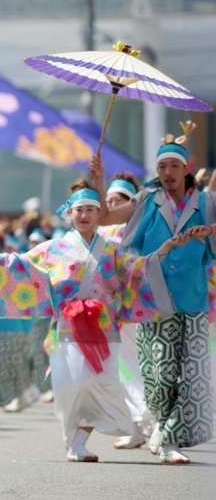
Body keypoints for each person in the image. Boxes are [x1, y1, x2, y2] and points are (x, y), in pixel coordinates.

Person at [0, 179, 195, 462]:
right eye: (79, 209)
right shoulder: (54, 247)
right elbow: (20, 263)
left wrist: (163, 250)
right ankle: (72, 440)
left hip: (104, 329)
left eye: (91, 209)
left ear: (99, 214)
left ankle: (79, 443)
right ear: (69, 213)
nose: (84, 215)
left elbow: (136, 269)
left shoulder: (112, 249)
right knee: (70, 385)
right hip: (68, 327)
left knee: (99, 384)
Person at [95, 128, 216, 463]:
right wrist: (100, 179)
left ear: (184, 169)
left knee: (192, 375)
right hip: (153, 299)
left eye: (173, 166)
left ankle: (168, 435)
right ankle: (163, 424)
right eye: (161, 166)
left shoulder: (206, 202)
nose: (166, 173)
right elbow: (105, 217)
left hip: (192, 299)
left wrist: (210, 230)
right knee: (160, 372)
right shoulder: (146, 200)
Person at [97, 173, 154, 449]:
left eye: (116, 200)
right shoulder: (101, 231)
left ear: (130, 202)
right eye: (107, 200)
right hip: (107, 310)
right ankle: (133, 426)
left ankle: (152, 421)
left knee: (135, 365)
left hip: (132, 307)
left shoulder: (137, 228)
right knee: (117, 369)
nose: (110, 205)